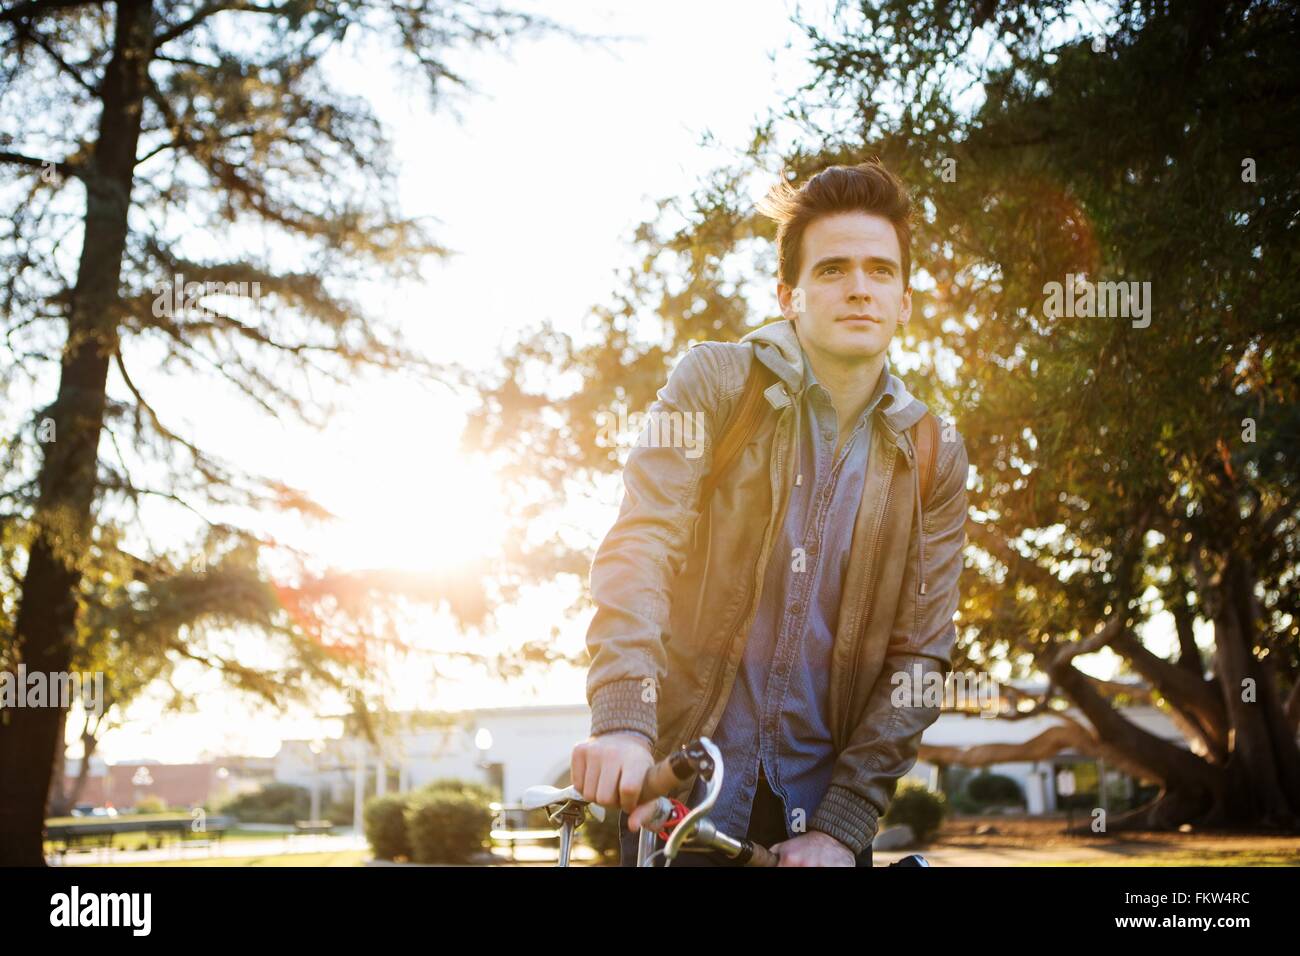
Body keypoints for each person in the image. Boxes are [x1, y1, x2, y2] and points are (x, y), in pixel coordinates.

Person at [571, 158, 968, 867]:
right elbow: (642, 543)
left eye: (880, 271)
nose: (858, 288)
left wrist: (845, 824)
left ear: (905, 300)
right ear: (789, 294)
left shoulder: (934, 454)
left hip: (819, 830)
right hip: (683, 805)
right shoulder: (717, 383)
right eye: (833, 269)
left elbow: (921, 655)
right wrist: (624, 720)